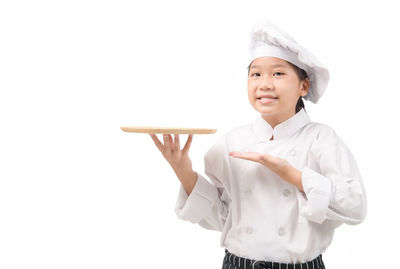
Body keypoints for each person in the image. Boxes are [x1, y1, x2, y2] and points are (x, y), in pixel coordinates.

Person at [149, 20, 367, 269]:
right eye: (256, 74)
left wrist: (292, 175)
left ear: (303, 86)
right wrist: (183, 170)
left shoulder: (321, 138)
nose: (265, 83)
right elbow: (221, 215)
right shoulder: (233, 141)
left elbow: (356, 206)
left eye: (278, 73)